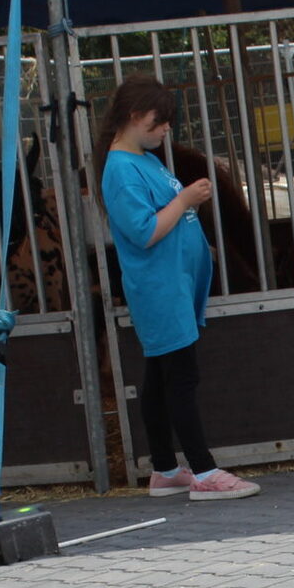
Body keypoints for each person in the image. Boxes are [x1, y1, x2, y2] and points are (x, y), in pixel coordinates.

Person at [95, 76, 260, 500]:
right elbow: (144, 231)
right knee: (181, 378)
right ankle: (204, 472)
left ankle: (165, 468)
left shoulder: (143, 159)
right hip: (160, 290)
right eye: (161, 120)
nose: (167, 128)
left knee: (160, 377)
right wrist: (185, 200)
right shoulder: (121, 170)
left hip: (172, 286)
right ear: (135, 116)